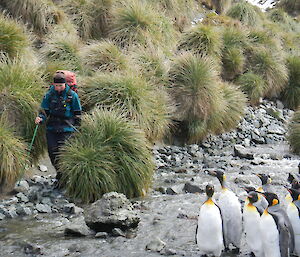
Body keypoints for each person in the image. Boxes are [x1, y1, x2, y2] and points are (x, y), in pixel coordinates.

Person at [35, 73, 82, 183]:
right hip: (52, 128)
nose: (59, 88)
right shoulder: (49, 95)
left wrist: (78, 128)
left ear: (65, 84)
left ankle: (65, 178)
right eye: (57, 86)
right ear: (53, 84)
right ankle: (59, 175)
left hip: (67, 128)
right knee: (52, 152)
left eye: (61, 85)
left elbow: (78, 113)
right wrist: (40, 118)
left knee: (63, 153)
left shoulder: (72, 95)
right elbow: (44, 111)